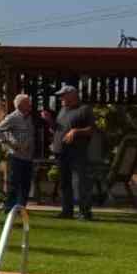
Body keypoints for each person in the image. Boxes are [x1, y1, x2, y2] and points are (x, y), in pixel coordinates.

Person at [53, 85, 97, 220]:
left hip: (77, 152)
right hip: (61, 152)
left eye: (63, 95)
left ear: (72, 95)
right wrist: (50, 121)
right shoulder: (62, 110)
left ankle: (85, 212)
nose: (61, 98)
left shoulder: (84, 110)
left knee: (80, 182)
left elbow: (92, 130)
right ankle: (67, 211)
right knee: (64, 182)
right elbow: (59, 129)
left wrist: (76, 131)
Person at [0, 93, 37, 209]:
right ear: (21, 105)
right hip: (16, 157)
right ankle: (9, 209)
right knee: (14, 184)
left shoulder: (29, 117)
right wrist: (11, 144)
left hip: (28, 157)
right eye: (28, 102)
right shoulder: (13, 117)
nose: (30, 104)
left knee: (25, 185)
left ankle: (21, 209)